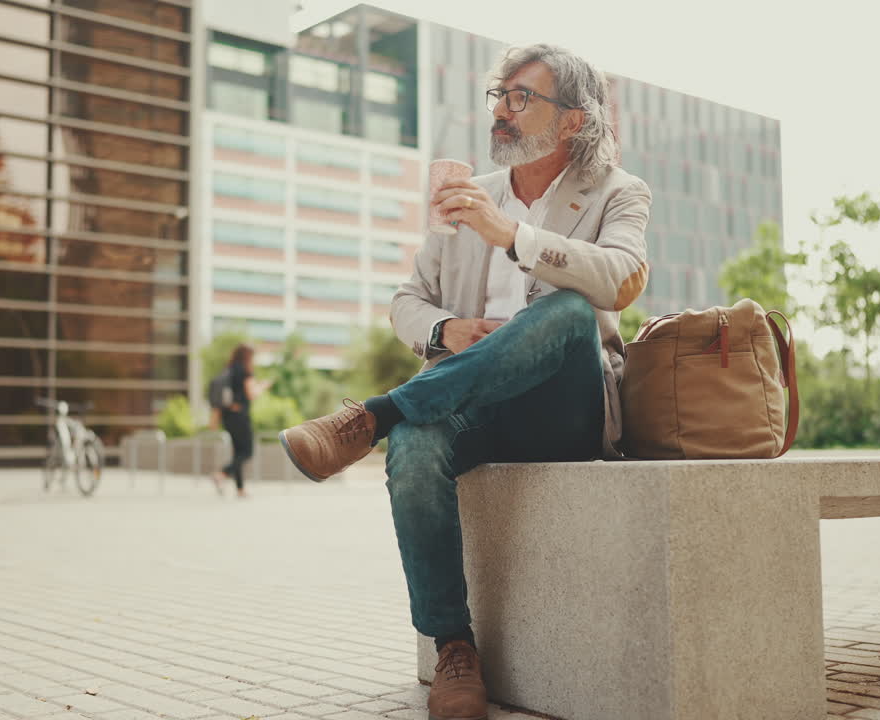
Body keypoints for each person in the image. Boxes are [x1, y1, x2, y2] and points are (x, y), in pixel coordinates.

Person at [279, 44, 652, 720]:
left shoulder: (616, 193)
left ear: (571, 121)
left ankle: (374, 414)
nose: (502, 110)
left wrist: (512, 234)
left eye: (521, 98)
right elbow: (405, 301)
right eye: (498, 96)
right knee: (416, 448)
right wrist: (445, 331)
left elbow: (621, 278)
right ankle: (455, 649)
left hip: (566, 410)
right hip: (474, 403)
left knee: (566, 310)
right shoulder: (466, 194)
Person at [211, 344, 270, 498]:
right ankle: (222, 474)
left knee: (237, 453)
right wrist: (262, 386)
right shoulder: (244, 371)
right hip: (240, 416)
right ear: (248, 357)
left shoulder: (229, 369)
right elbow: (251, 394)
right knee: (247, 452)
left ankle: (240, 489)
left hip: (228, 416)